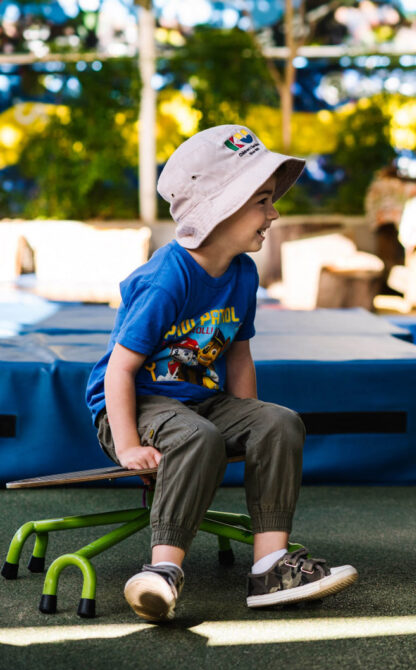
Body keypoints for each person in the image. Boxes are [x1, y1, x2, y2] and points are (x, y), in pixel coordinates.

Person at [85, 125, 357, 622]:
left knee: (279, 421)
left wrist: (250, 422)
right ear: (221, 209)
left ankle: (271, 568)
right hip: (133, 406)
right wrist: (126, 444)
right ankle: (161, 573)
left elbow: (237, 356)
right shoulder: (169, 277)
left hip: (195, 401)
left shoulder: (243, 273)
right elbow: (119, 371)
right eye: (262, 201)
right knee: (196, 436)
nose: (273, 213)